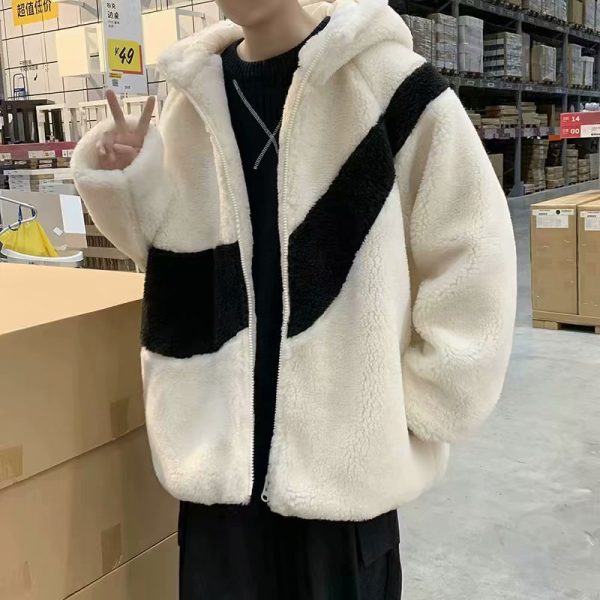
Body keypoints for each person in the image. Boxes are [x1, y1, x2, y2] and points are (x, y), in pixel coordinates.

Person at [71, 0, 517, 597]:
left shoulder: (386, 83)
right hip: (220, 470)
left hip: (342, 479)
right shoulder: (194, 100)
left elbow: (474, 245)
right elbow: (166, 260)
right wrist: (130, 180)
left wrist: (426, 400)